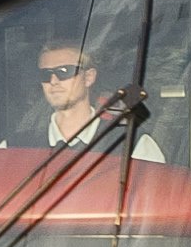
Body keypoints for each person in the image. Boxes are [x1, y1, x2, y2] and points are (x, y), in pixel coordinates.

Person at [19, 36, 164, 162]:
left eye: (64, 72)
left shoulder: (133, 145)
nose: (53, 81)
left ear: (89, 77)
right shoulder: (15, 146)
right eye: (46, 74)